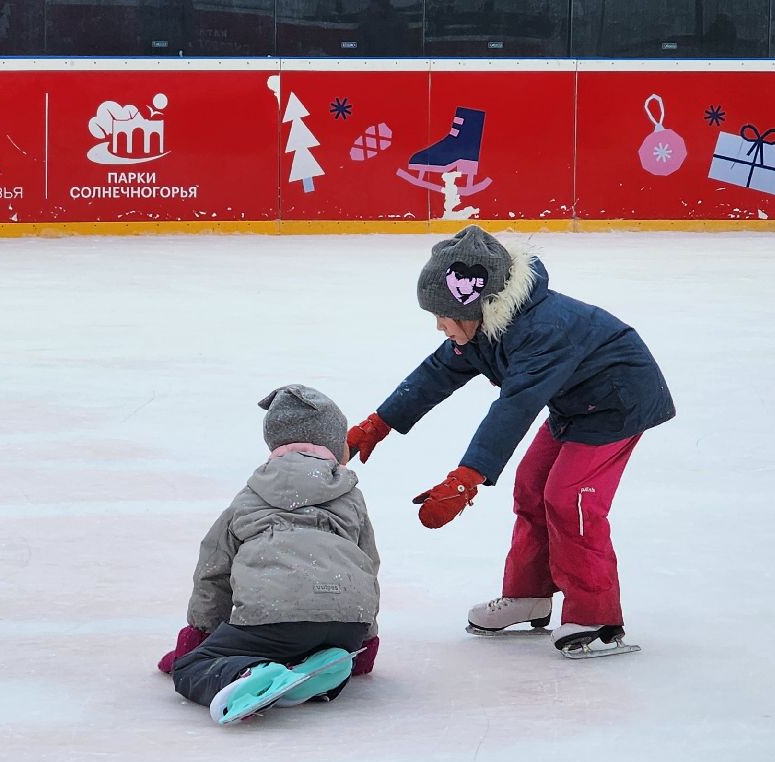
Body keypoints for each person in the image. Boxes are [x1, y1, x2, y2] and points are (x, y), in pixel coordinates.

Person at [345, 225, 675, 658]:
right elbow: (435, 375)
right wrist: (377, 424)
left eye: (442, 315)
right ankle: (529, 595)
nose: (439, 326)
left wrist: (467, 477)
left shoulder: (543, 330)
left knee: (570, 499)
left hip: (619, 402)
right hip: (574, 404)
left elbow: (516, 406)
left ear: (472, 304)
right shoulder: (483, 325)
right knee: (531, 487)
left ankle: (596, 615)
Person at [158, 386, 382, 724]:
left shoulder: (251, 495)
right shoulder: (351, 496)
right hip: (346, 625)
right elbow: (368, 564)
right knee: (305, 642)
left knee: (191, 667)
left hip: (275, 617)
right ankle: (318, 668)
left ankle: (248, 673)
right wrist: (364, 640)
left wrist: (201, 636)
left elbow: (214, 570)